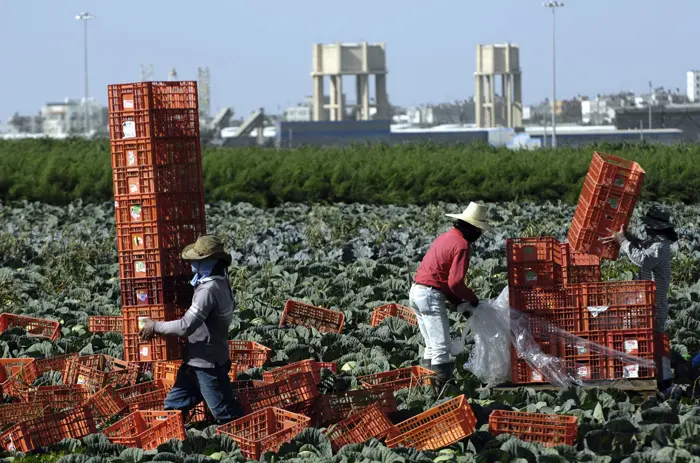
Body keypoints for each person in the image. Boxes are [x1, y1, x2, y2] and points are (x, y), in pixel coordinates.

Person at [139, 235, 243, 424]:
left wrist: (155, 326)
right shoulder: (221, 281)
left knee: (224, 414)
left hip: (208, 364)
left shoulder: (208, 290)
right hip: (196, 362)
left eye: (197, 260)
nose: (192, 263)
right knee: (173, 404)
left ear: (208, 262)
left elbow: (186, 326)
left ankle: (244, 443)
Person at [409, 202, 490, 393]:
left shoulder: (445, 237)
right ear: (471, 228)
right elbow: (455, 283)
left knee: (431, 345)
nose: (479, 235)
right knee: (440, 346)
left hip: (416, 291)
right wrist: (472, 300)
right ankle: (442, 391)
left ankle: (428, 390)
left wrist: (456, 302)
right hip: (430, 295)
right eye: (479, 230)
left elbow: (442, 278)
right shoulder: (462, 245)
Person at [603, 205, 677, 333]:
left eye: (648, 225)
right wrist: (627, 237)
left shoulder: (659, 246)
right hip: (646, 304)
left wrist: (623, 241)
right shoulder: (655, 242)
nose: (646, 228)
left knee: (642, 340)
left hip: (652, 307)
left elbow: (644, 259)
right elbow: (642, 245)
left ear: (655, 227)